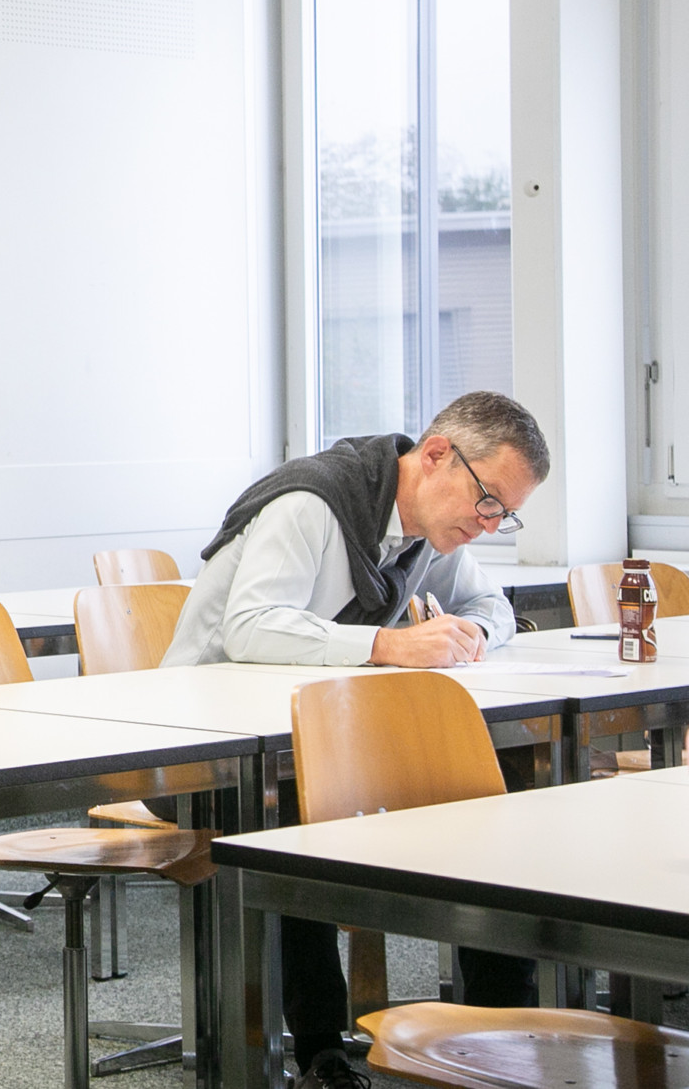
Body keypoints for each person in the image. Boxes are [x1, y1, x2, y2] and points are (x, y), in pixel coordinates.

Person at [161, 391, 550, 1089]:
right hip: (203, 757)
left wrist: (473, 634)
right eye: (487, 501)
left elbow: (491, 605)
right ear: (436, 456)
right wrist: (390, 643)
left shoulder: (429, 533)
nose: (489, 525)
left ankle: (493, 1033)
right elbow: (249, 628)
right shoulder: (313, 503)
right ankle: (321, 1051)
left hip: (319, 741)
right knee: (289, 830)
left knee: (489, 802)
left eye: (504, 514)